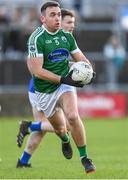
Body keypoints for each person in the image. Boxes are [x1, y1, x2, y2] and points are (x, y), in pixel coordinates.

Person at [17, 1, 96, 174]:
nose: (57, 18)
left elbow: (80, 58)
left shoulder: (66, 36)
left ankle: (85, 158)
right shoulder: (36, 38)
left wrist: (89, 71)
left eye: (59, 14)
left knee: (73, 117)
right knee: (60, 129)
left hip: (64, 87)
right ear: (43, 18)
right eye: (52, 15)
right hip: (45, 90)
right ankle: (65, 139)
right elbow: (37, 71)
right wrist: (64, 79)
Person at [16, 8, 75, 168]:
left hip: (58, 86)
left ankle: (23, 161)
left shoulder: (65, 39)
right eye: (69, 22)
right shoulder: (40, 39)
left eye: (73, 22)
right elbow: (35, 68)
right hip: (41, 89)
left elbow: (61, 64)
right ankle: (29, 126)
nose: (72, 25)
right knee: (66, 126)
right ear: (59, 23)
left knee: (51, 127)